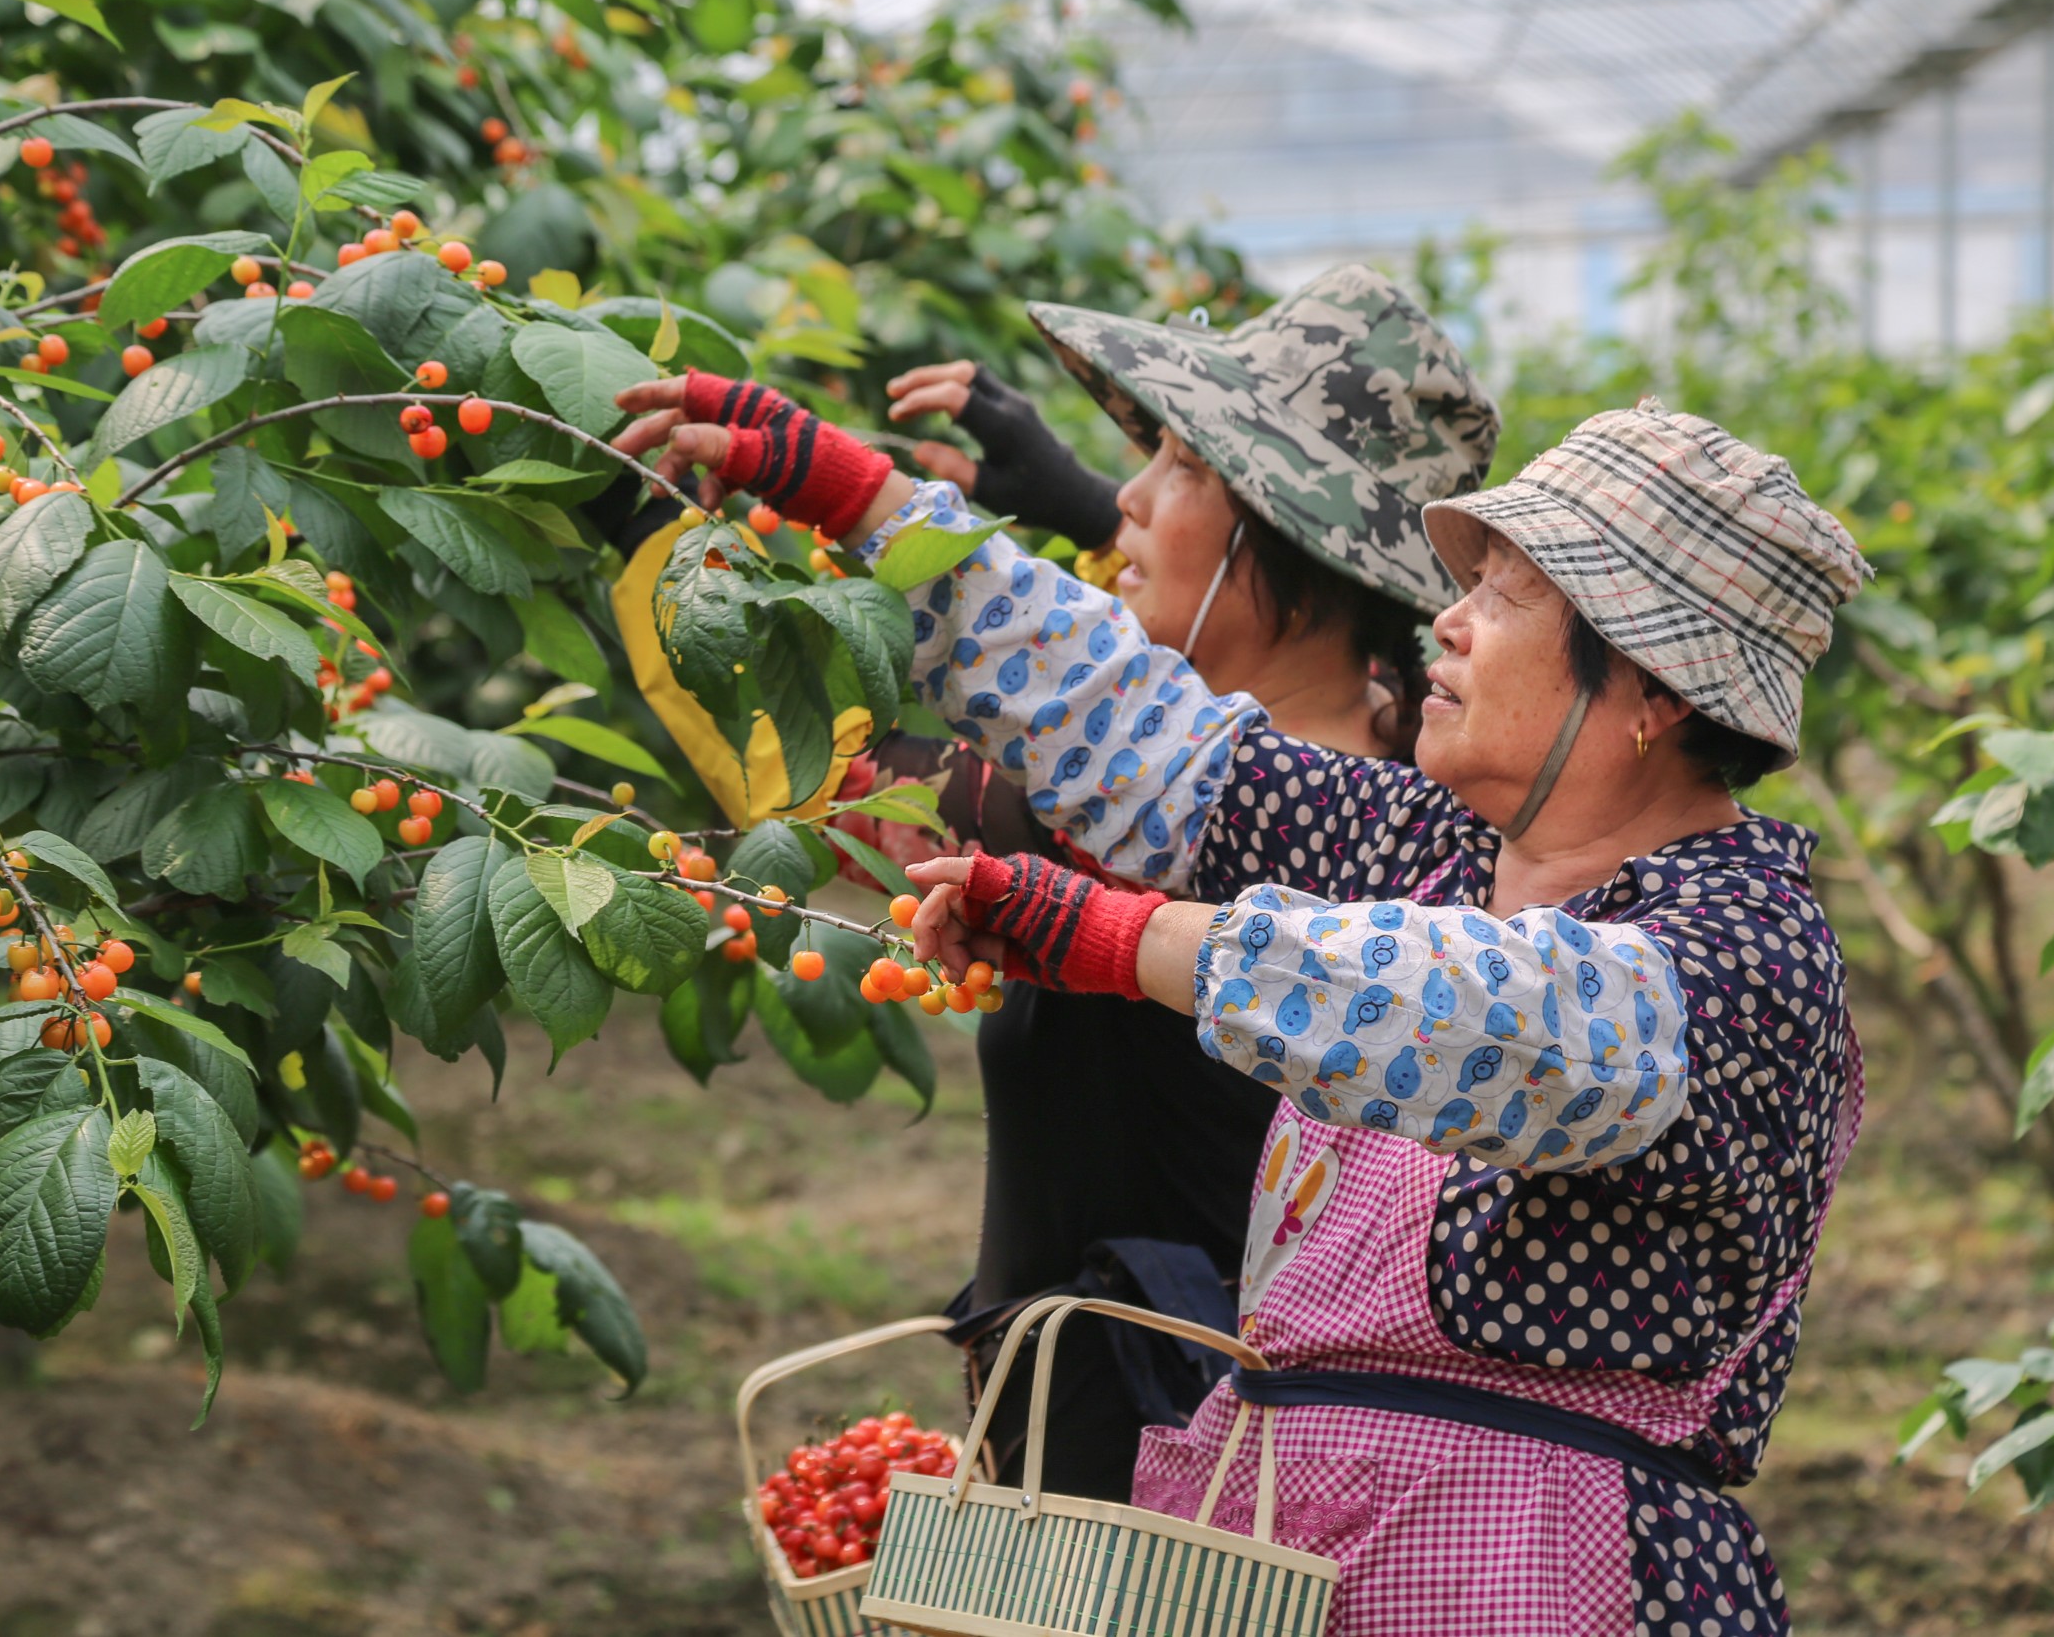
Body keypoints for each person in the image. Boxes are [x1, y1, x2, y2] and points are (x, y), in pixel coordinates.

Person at [614, 379, 1868, 1635]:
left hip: (1540, 1572)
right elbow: (1138, 726)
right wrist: (854, 492)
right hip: (1284, 1556)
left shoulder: (1742, 944)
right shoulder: (1428, 845)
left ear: (1653, 691)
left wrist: (1122, 937)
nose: (1451, 622)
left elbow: (1485, 1016)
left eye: (1507, 596)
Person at [624, 270, 1499, 1502]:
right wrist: (1099, 508)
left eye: (1180, 469)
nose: (1128, 500)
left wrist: (656, 557)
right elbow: (1176, 690)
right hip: (1173, 1457)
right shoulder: (1413, 799)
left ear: (1285, 539)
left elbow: (825, 780)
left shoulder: (1170, 835)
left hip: (1171, 1507)